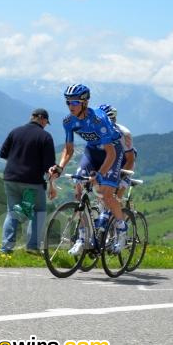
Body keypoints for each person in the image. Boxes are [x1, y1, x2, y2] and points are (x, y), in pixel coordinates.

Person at [48, 84, 127, 255]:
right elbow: (68, 150)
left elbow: (111, 153)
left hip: (111, 152)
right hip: (92, 152)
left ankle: (121, 230)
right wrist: (60, 167)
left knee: (106, 193)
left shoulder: (99, 119)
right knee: (78, 188)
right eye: (68, 102)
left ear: (85, 102)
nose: (71, 106)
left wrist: (99, 175)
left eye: (75, 102)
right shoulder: (69, 121)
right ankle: (82, 238)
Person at [0, 108, 56, 254]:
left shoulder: (15, 131)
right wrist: (51, 185)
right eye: (45, 122)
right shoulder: (45, 137)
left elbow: (3, 153)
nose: (45, 125)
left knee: (12, 212)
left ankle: (6, 248)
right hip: (32, 181)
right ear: (42, 119)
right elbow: (49, 166)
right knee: (39, 211)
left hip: (10, 178)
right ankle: (32, 247)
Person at [98, 104, 136, 200]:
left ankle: (120, 212)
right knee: (100, 196)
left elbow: (130, 160)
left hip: (125, 162)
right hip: (109, 162)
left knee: (116, 197)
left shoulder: (124, 134)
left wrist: (120, 177)